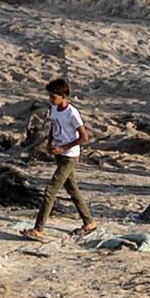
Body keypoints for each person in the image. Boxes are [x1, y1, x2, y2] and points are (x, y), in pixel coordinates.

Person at [27, 79, 94, 238]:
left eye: (53, 96)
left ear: (63, 96)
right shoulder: (54, 109)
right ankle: (89, 222)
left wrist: (64, 147)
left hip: (70, 156)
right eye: (50, 96)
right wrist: (50, 143)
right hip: (59, 154)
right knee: (72, 189)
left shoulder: (72, 113)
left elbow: (84, 137)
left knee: (50, 191)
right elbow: (54, 127)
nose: (51, 99)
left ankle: (38, 229)